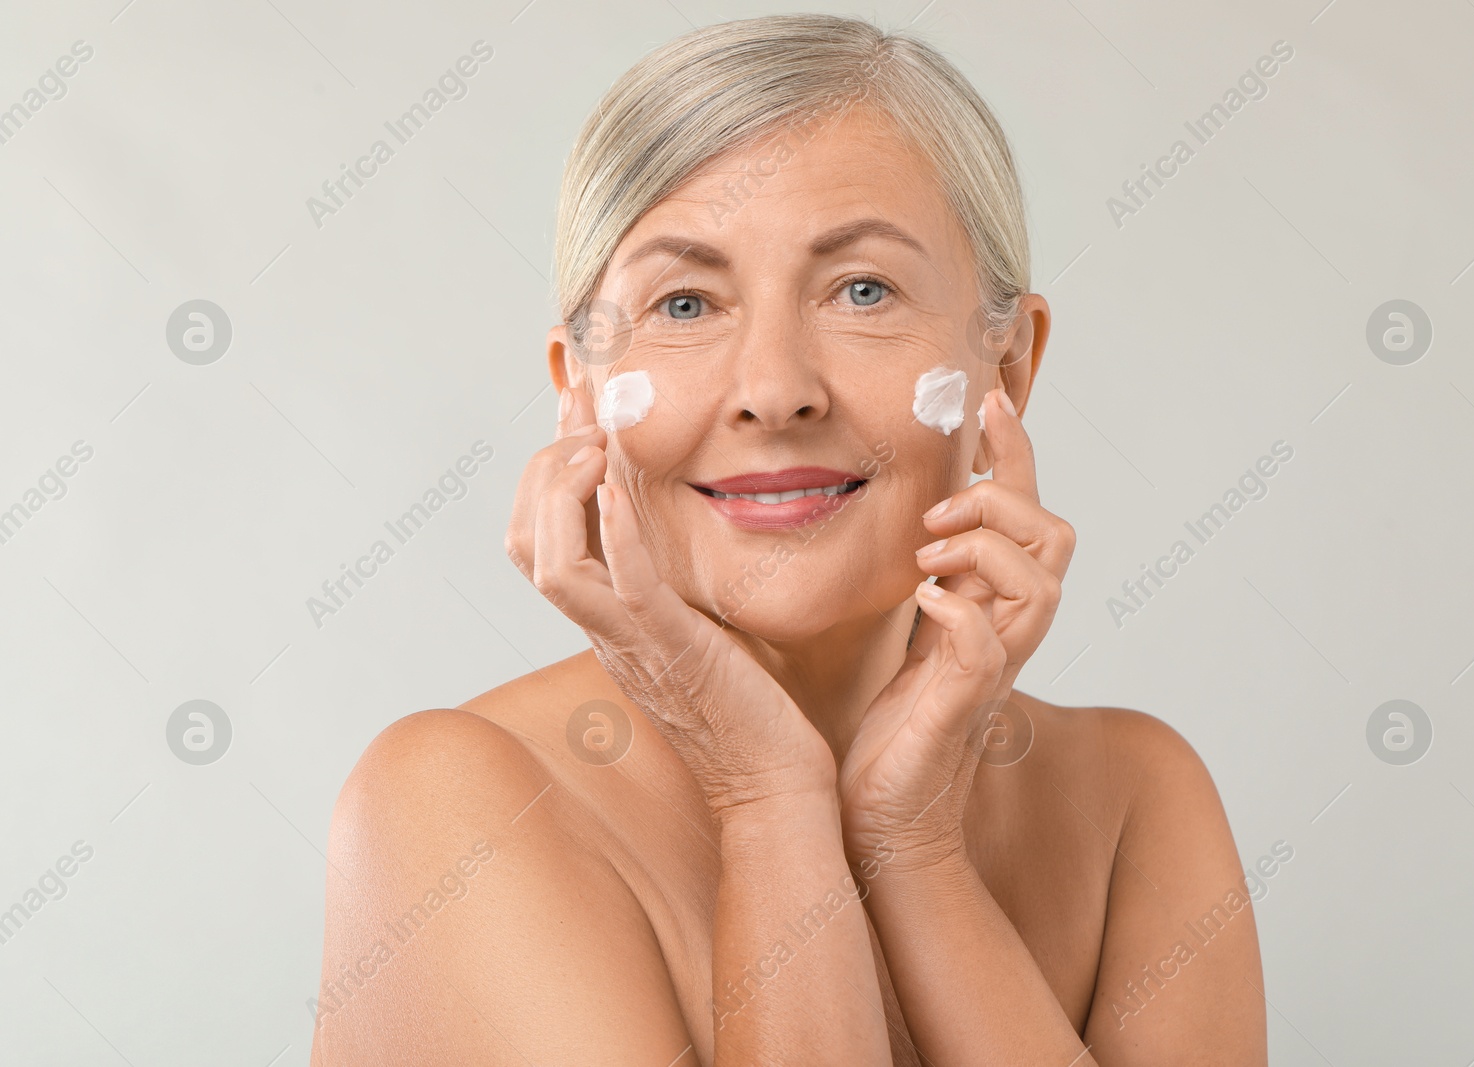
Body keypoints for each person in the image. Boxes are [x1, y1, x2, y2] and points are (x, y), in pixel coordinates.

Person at [311, 13, 1267, 1065]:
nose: (774, 391)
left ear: (1007, 368)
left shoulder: (1134, 797)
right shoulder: (451, 802)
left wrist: (914, 847)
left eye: (862, 290)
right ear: (576, 393)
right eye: (685, 302)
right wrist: (767, 797)